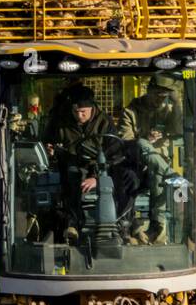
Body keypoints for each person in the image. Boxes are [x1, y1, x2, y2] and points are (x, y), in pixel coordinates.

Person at [45, 84, 137, 244]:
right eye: (75, 112)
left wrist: (97, 177)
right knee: (71, 175)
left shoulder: (105, 122)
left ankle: (124, 225)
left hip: (104, 166)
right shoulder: (60, 122)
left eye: (83, 112)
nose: (79, 116)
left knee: (128, 178)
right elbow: (47, 142)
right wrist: (50, 151)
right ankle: (73, 224)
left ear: (92, 108)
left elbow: (115, 153)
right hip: (74, 164)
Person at [119, 75, 182, 245]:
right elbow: (126, 141)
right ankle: (171, 174)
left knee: (158, 176)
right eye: (156, 95)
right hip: (136, 166)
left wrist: (176, 104)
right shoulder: (131, 111)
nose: (159, 100)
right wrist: (146, 138)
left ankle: (158, 232)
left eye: (164, 97)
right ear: (148, 91)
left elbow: (177, 130)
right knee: (142, 142)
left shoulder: (166, 110)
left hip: (157, 167)